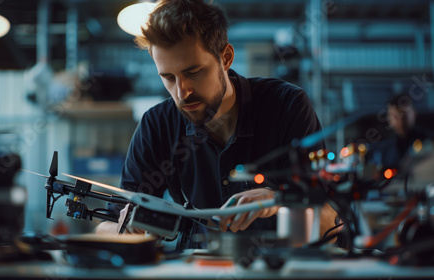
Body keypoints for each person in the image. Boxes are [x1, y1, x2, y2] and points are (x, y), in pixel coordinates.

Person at [96, 0, 337, 248]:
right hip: (195, 269)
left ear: (226, 57)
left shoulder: (286, 106)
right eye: (168, 77)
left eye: (194, 72)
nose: (182, 92)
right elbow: (110, 222)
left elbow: (331, 221)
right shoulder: (157, 125)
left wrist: (280, 201)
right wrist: (125, 233)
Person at [368, 93, 434, 170]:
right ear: (388, 118)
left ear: (414, 113)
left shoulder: (429, 141)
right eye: (395, 116)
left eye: (404, 114)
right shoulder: (383, 149)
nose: (400, 120)